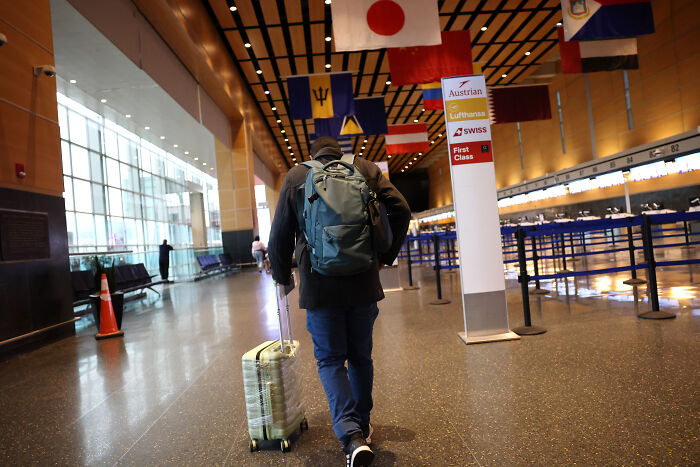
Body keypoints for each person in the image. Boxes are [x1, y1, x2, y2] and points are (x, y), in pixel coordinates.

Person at [268, 137, 411, 467]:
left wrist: (282, 277)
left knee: (331, 360)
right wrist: (385, 257)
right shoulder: (364, 168)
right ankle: (363, 424)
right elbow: (401, 208)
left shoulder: (296, 177)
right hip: (363, 281)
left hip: (319, 287)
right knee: (361, 356)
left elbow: (279, 238)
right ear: (340, 151)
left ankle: (351, 437)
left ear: (311, 154)